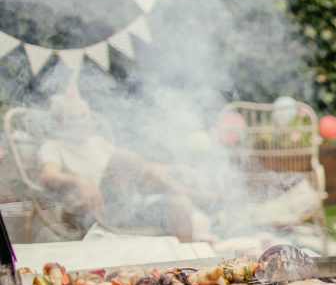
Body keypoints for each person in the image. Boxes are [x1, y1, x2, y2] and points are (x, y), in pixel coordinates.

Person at [37, 93, 209, 241]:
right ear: (59, 122)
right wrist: (79, 181)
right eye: (75, 117)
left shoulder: (97, 143)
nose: (83, 121)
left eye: (85, 115)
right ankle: (190, 193)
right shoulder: (53, 146)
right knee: (123, 158)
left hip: (123, 206)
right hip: (88, 211)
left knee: (178, 205)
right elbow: (48, 175)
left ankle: (190, 268)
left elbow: (138, 167)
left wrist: (173, 168)